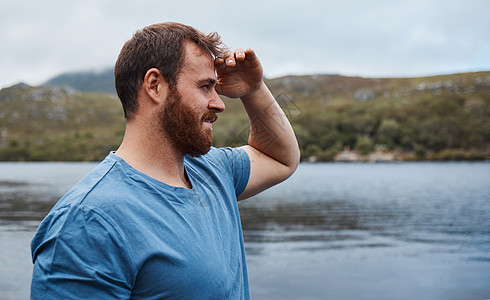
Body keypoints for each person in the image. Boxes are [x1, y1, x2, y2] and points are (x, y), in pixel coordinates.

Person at [30, 22, 299, 299]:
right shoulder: (87, 222)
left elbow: (279, 157)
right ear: (155, 86)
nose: (219, 103)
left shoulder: (212, 169)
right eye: (205, 86)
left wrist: (253, 90)